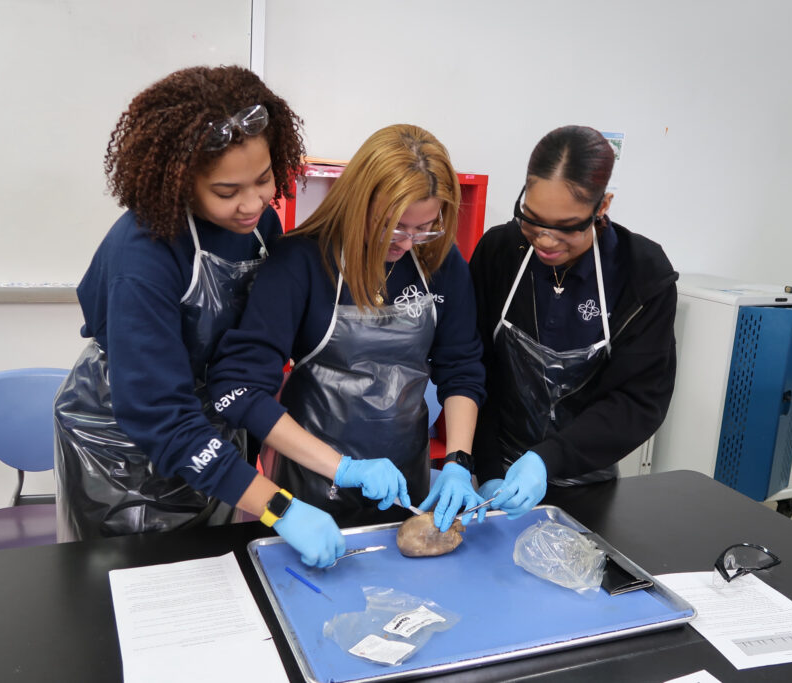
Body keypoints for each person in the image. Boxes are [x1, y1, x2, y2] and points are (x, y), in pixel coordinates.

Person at [54, 66, 401, 568]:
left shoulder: (262, 226)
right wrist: (282, 509)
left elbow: (249, 358)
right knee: (133, 588)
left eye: (264, 180)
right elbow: (161, 417)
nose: (253, 203)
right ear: (177, 179)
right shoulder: (142, 256)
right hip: (124, 452)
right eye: (226, 191)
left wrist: (338, 467)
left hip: (209, 428)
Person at [209, 124, 487, 532]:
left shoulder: (440, 262)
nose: (408, 243)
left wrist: (459, 462)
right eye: (395, 227)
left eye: (425, 227)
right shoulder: (301, 262)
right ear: (361, 202)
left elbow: (461, 366)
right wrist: (345, 469)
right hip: (310, 482)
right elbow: (241, 391)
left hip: (403, 482)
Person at [470, 125, 678, 517]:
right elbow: (475, 366)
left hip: (587, 480)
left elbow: (638, 399)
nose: (546, 240)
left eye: (567, 227)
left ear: (603, 207)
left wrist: (546, 460)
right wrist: (487, 467)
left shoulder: (641, 274)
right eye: (532, 219)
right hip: (496, 476)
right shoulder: (500, 252)